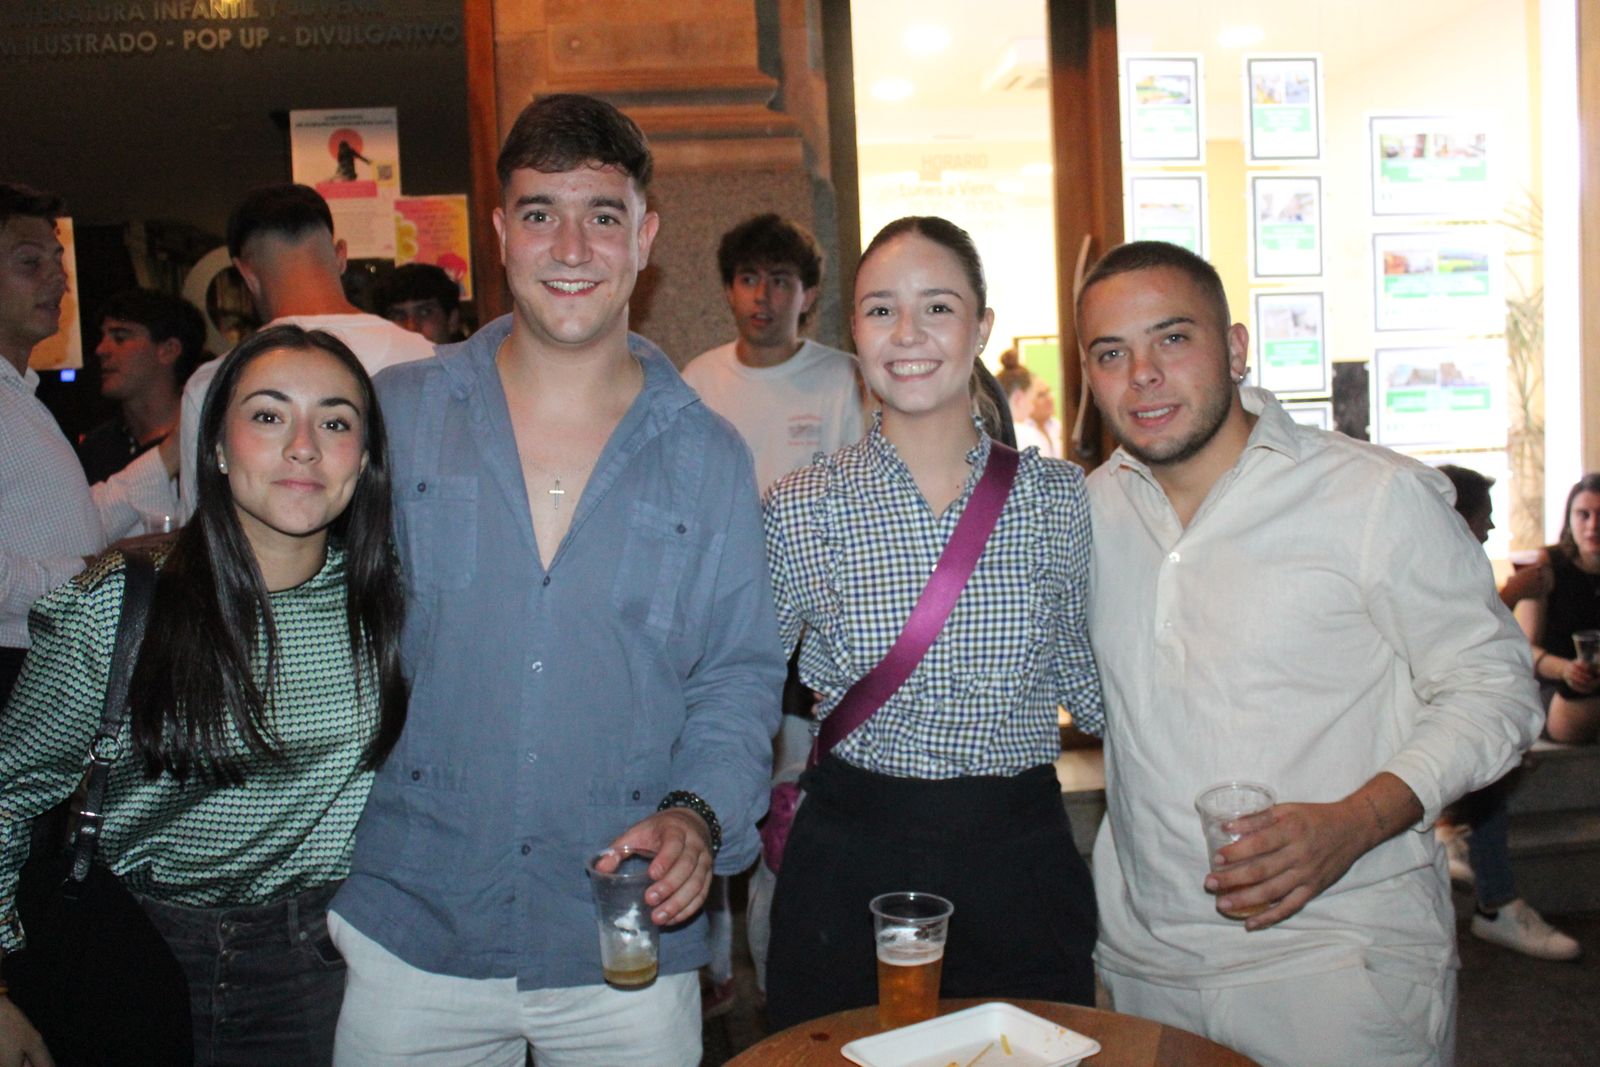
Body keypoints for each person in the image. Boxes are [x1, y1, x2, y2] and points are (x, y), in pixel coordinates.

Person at [326, 94, 783, 1066]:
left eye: (602, 214)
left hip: (623, 940)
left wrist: (698, 812)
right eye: (539, 212)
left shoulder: (709, 455)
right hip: (413, 929)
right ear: (499, 232)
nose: (570, 244)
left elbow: (738, 675)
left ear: (645, 235)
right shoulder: (396, 415)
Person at [1078, 240, 1541, 1067]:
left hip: (1337, 959)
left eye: (1172, 338)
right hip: (1149, 965)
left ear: (1236, 347)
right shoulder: (1085, 515)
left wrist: (1356, 820)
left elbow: (1496, 687)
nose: (1141, 372)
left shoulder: (1372, 497)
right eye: (1111, 352)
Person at [0, 324, 408, 1065]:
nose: (304, 445)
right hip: (133, 954)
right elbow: (5, 795)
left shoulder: (390, 612)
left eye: (336, 421)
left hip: (323, 964)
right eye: (267, 414)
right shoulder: (117, 608)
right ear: (216, 448)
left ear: (366, 458)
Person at [762, 216, 1104, 1029]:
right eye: (881, 310)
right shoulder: (801, 505)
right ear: (853, 332)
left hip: (1018, 854)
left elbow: (1094, 693)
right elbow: (737, 687)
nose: (907, 334)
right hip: (852, 854)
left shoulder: (1058, 498)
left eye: (938, 307)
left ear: (982, 326)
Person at [680, 212, 866, 1008]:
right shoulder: (696, 380)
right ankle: (710, 970)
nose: (763, 296)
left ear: (809, 293)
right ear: (729, 289)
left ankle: (789, 967)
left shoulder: (840, 379)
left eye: (780, 280)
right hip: (719, 619)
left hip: (813, 632)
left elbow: (856, 499)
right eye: (749, 278)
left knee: (792, 799)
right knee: (711, 780)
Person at [0, 182, 177, 706]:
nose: (58, 278)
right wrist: (100, 568)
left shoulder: (20, 395)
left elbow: (61, 527)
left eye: (58, 260)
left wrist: (173, 453)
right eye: (30, 262)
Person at [178, 184, 434, 518]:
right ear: (341, 255)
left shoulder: (215, 382)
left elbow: (199, 526)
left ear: (246, 275)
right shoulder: (428, 358)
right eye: (268, 418)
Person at [1431, 465, 1580, 961]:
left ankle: (1487, 887)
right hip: (1412, 720)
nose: (1491, 529)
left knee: (1503, 751)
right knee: (1494, 756)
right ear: (1457, 519)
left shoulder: (1452, 570)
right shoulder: (1424, 574)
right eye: (1484, 517)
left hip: (1444, 710)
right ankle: (1459, 843)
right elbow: (1460, 642)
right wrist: (1514, 593)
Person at [1500, 473, 1600, 744]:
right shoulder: (1546, 565)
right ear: (1569, 519)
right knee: (1580, 700)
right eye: (1584, 515)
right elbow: (1524, 649)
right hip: (1557, 685)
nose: (1593, 526)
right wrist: (1566, 670)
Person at [79, 289, 208, 483]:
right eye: (102, 338)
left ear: (168, 350)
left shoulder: (206, 440)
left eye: (120, 338)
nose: (101, 350)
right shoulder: (97, 448)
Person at [371, 262, 464, 345]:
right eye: (399, 316)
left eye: (425, 312)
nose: (412, 327)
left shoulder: (474, 363)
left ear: (452, 320)